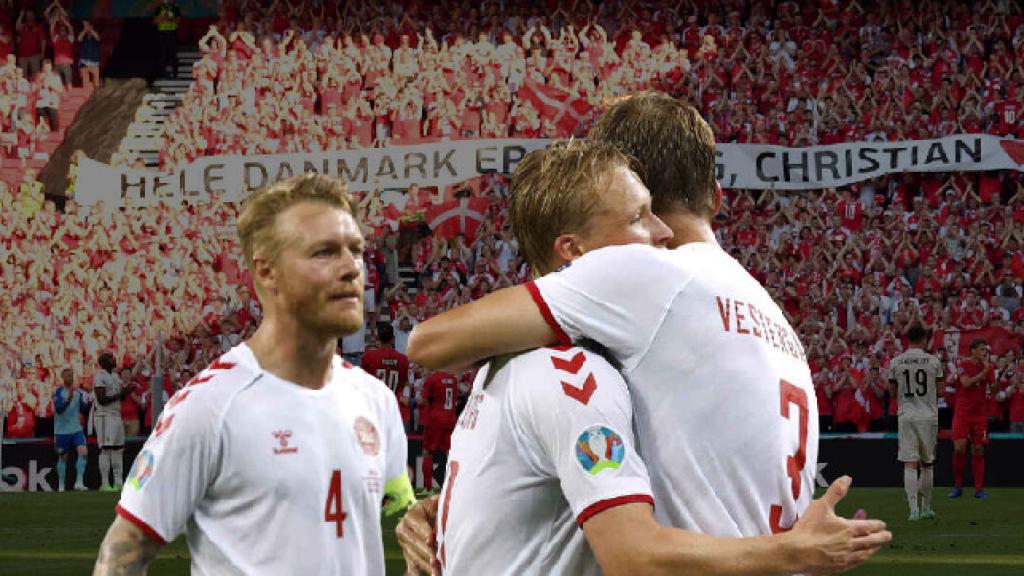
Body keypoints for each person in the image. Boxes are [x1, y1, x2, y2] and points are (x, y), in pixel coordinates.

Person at [399, 93, 890, 574]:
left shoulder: (643, 277)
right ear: (716, 196)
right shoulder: (773, 319)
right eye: (638, 216)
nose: (658, 232)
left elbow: (429, 343)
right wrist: (471, 502)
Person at [93, 174, 415, 575]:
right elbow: (121, 555)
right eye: (324, 253)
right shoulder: (210, 407)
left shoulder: (375, 399)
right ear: (266, 272)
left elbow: (392, 516)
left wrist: (421, 523)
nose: (352, 268)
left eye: (356, 250)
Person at [886, 323, 943, 520]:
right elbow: (941, 391)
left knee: (910, 463)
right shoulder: (934, 361)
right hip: (928, 416)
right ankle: (926, 507)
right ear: (924, 339)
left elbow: (892, 392)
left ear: (907, 339)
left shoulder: (896, 362)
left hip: (907, 415)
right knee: (927, 463)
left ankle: (913, 510)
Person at [949, 338, 994, 499]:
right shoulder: (963, 364)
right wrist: (984, 373)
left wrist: (996, 377)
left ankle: (979, 489)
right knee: (959, 448)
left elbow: (994, 388)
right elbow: (966, 383)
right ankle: (958, 486)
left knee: (978, 449)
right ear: (973, 350)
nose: (984, 352)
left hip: (979, 413)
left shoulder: (989, 367)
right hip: (963, 412)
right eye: (982, 349)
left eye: (985, 350)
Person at [361, 322, 410, 429]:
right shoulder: (402, 359)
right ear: (393, 339)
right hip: (393, 408)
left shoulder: (368, 357)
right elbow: (404, 383)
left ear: (377, 338)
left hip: (374, 408)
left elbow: (362, 383)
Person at [92, 351, 130, 491]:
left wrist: (127, 391)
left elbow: (119, 397)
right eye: (110, 358)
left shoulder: (115, 376)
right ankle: (104, 483)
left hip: (116, 415)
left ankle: (118, 482)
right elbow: (102, 399)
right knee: (106, 449)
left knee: (118, 449)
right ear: (104, 362)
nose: (114, 360)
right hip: (104, 416)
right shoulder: (100, 376)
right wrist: (123, 392)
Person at [419, 368, 458, 490]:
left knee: (427, 452)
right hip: (451, 418)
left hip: (435, 420)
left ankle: (428, 488)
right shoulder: (453, 379)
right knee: (450, 453)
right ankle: (453, 487)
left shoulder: (432, 378)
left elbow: (421, 400)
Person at [53, 367, 89, 491]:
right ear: (63, 377)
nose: (70, 378)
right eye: (68, 375)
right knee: (63, 457)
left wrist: (88, 400)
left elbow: (83, 408)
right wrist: (68, 400)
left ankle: (79, 482)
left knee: (83, 451)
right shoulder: (58, 392)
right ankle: (61, 485)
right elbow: (59, 409)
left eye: (71, 375)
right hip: (61, 431)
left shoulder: (78, 392)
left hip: (76, 429)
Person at [153, 0, 180, 79]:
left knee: (173, 54)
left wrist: (170, 17)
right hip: (162, 34)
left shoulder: (175, 8)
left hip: (172, 33)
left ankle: (175, 73)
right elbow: (155, 22)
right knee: (162, 55)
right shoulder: (159, 8)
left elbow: (178, 21)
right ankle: (162, 73)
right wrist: (162, 16)